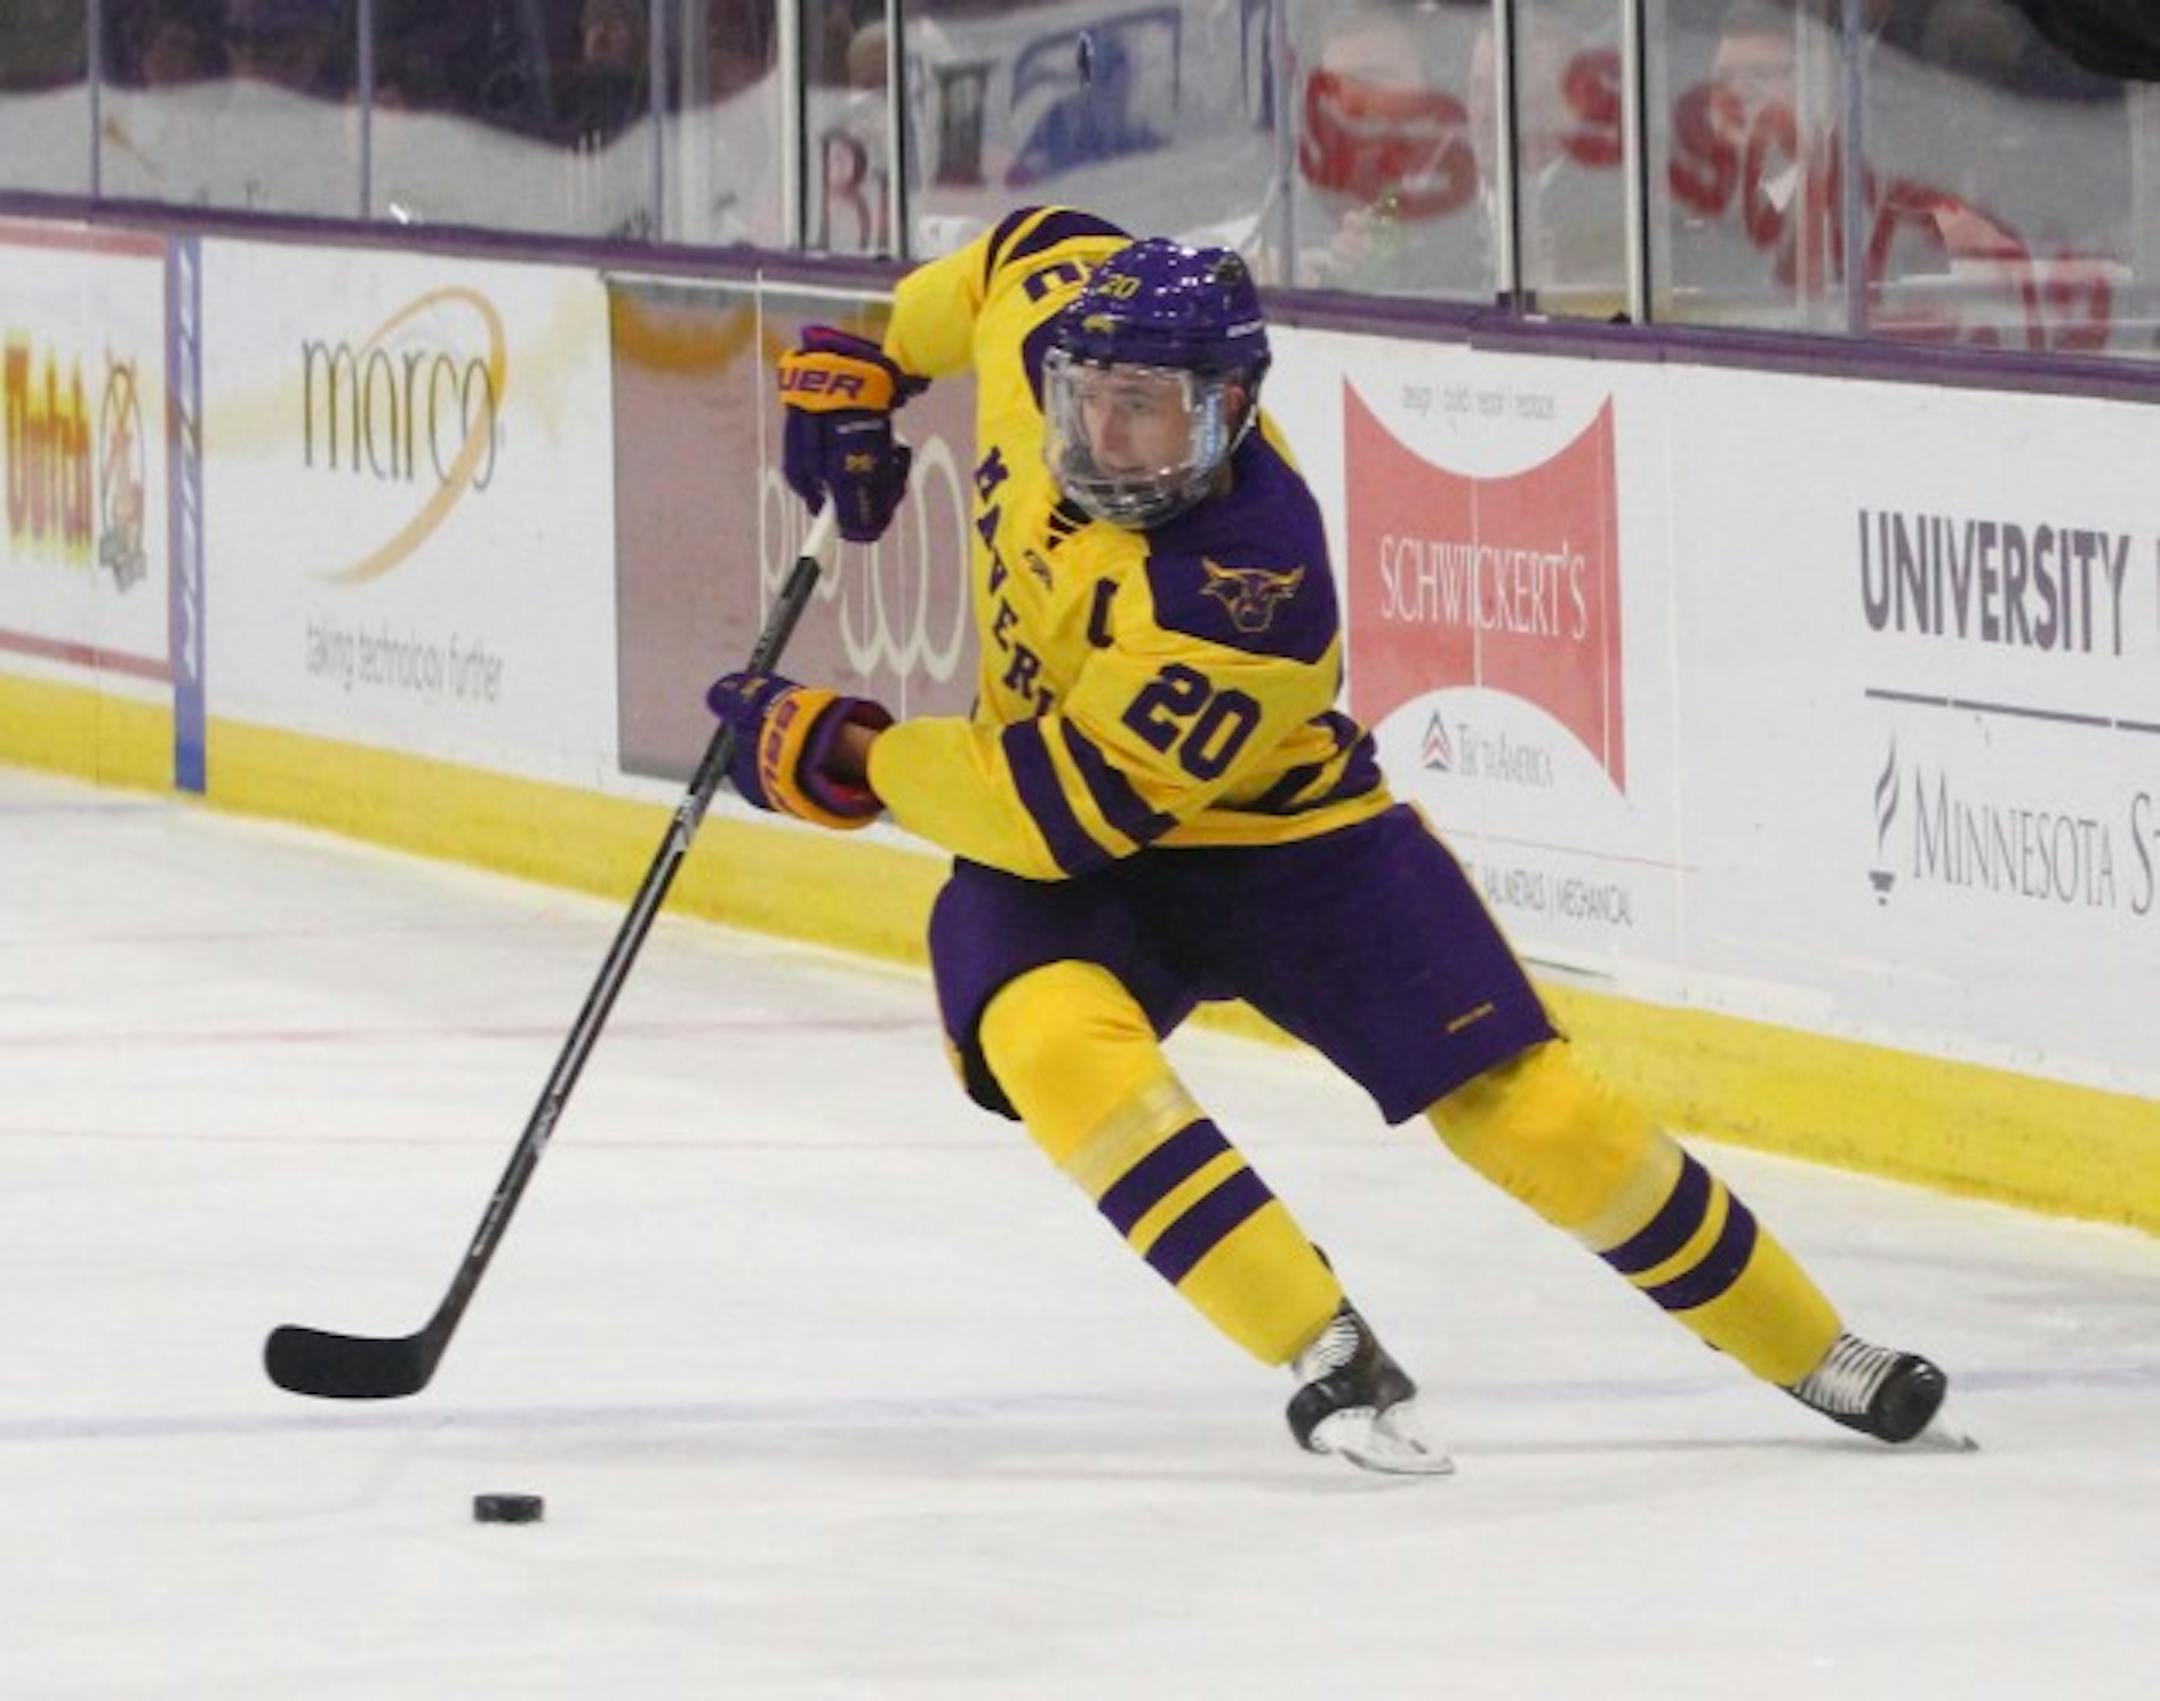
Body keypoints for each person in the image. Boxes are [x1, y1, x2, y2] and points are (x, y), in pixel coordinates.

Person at [707, 205, 1961, 1474]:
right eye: (1088, 399)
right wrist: (868, 366)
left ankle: (1814, 1348)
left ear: (1232, 407)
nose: (1108, 437)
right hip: (1074, 833)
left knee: (1527, 1111)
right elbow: (1002, 259)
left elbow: (1050, 816)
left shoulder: (1249, 584)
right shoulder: (1050, 326)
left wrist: (848, 756)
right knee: (1043, 1038)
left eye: (1152, 411)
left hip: (1279, 842)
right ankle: (1320, 1342)